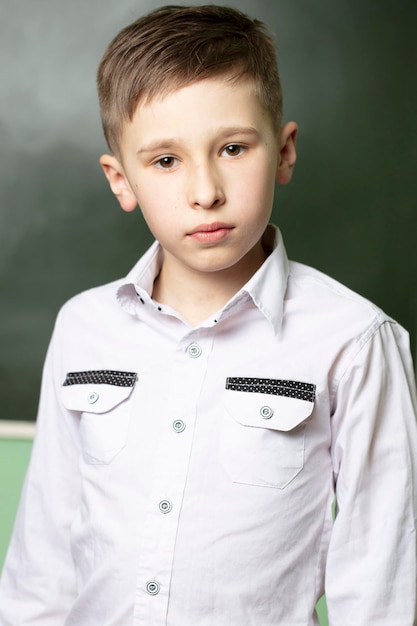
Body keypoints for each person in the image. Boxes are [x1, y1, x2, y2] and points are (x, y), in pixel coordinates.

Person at [0, 5, 416, 625]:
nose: (205, 190)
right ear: (121, 180)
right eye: (165, 160)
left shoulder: (355, 341)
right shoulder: (83, 327)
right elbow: (44, 562)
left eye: (232, 148)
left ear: (283, 150)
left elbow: (381, 582)